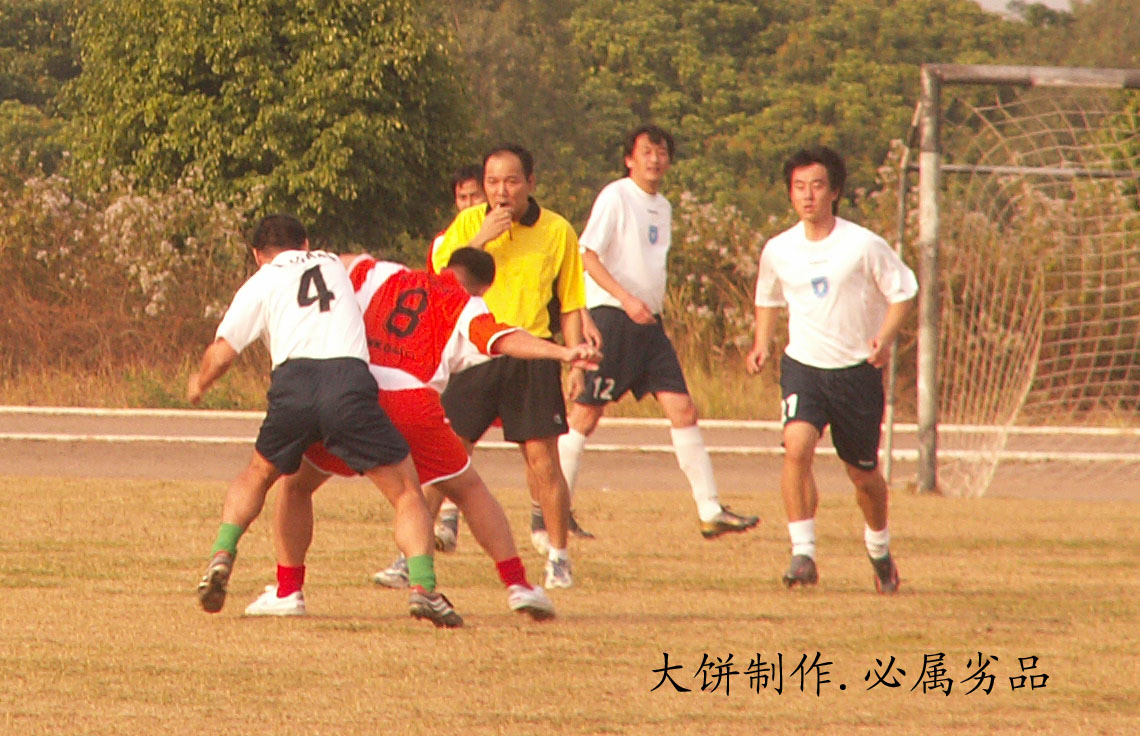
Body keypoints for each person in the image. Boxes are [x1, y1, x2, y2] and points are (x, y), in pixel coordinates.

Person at [244, 247, 601, 618]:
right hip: (412, 403)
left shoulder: (382, 272)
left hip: (353, 396)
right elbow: (500, 338)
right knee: (466, 490)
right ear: (483, 288)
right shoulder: (466, 304)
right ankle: (517, 585)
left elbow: (339, 266)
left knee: (296, 486)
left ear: (445, 266)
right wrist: (561, 353)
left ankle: (288, 590)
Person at [189, 214, 462, 627]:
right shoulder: (333, 263)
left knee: (260, 474)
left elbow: (223, 353)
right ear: (307, 243)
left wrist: (199, 383)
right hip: (347, 383)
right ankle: (423, 587)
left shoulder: (262, 280)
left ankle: (223, 555)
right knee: (407, 491)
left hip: (293, 384)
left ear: (257, 255)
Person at [556, 124, 760, 540]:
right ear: (629, 159)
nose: (655, 159)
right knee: (585, 414)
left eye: (661, 152)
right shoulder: (616, 195)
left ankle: (710, 510)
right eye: (646, 152)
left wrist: (644, 305)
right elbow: (586, 255)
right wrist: (625, 299)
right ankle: (554, 510)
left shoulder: (663, 206)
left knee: (683, 409)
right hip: (613, 317)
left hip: (649, 325)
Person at [745, 146, 917, 594]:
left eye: (817, 186)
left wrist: (885, 336)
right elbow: (768, 297)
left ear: (834, 191)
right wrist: (762, 343)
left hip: (855, 372)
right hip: (804, 366)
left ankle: (879, 550)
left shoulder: (863, 244)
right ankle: (802, 552)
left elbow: (903, 293)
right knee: (796, 446)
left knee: (863, 477)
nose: (808, 195)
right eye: (799, 187)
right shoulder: (779, 249)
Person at [430, 143, 588, 589]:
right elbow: (440, 280)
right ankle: (413, 556)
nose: (502, 192)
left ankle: (558, 557)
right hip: (474, 350)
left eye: (512, 181)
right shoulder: (468, 223)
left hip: (531, 353)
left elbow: (571, 303)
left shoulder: (557, 230)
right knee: (444, 452)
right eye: (493, 182)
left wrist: (575, 363)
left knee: (543, 462)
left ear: (530, 183)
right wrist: (480, 239)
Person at [427, 163, 488, 551]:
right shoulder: (446, 241)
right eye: (462, 198)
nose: (468, 204)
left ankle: (549, 528)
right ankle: (444, 523)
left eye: (474, 196)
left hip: (498, 343)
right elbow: (442, 279)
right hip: (459, 351)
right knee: (453, 437)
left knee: (538, 450)